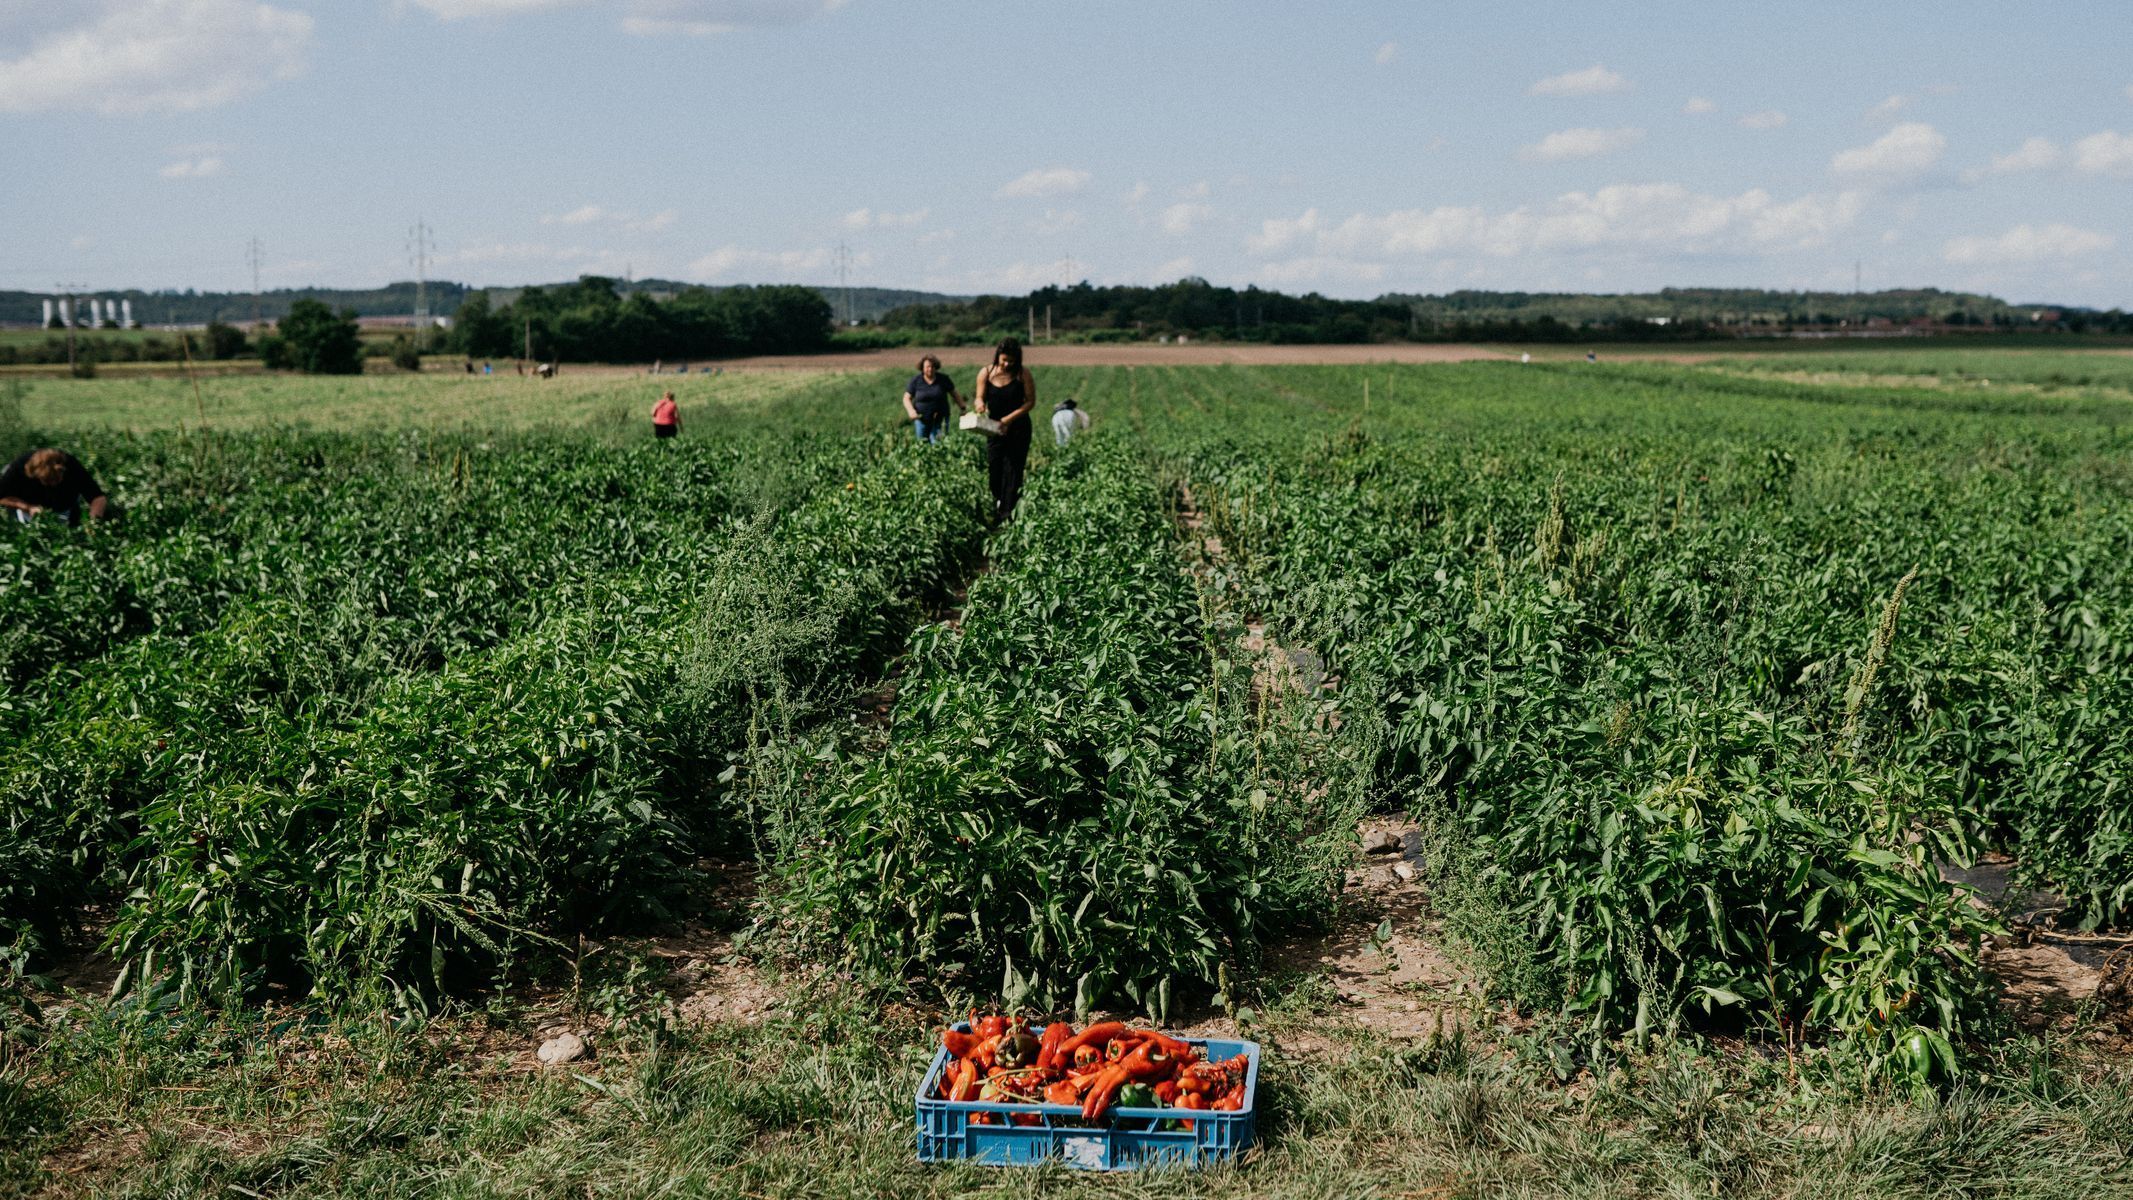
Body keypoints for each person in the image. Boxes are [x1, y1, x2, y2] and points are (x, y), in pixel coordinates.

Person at [974, 337, 1036, 522]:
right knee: (995, 469)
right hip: (995, 429)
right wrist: (979, 405)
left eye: (1011, 361)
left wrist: (1008, 420)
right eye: (1004, 360)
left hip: (1018, 428)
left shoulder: (1022, 374)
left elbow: (1030, 402)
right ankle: (1000, 502)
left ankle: (1006, 514)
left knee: (1013, 470)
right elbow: (979, 397)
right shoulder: (986, 373)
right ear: (998, 357)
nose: (1007, 364)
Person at [1, 447, 109, 524]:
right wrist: (28, 508)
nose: (52, 484)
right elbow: (2, 497)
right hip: (28, 509)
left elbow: (98, 498)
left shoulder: (73, 467)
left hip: (65, 507)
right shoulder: (19, 468)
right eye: (47, 481)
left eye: (56, 480)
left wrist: (93, 523)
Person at [902, 354, 966, 444]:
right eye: (927, 367)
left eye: (933, 366)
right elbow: (906, 398)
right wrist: (911, 411)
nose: (930, 369)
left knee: (938, 444)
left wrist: (963, 408)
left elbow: (955, 394)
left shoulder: (943, 379)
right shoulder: (916, 381)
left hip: (940, 419)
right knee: (922, 445)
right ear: (922, 368)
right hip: (921, 420)